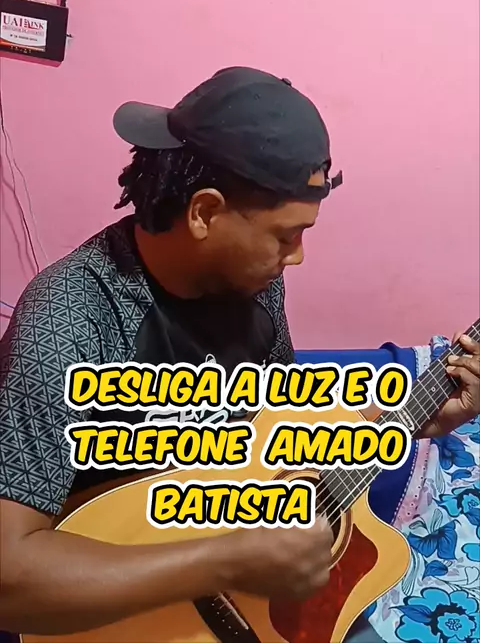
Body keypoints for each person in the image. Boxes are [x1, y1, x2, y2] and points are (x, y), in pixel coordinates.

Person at [0, 66, 478, 641]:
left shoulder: (254, 284)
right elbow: (9, 577)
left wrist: (412, 420)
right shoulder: (68, 318)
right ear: (205, 213)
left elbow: (280, 430)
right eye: (285, 235)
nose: (296, 256)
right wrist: (225, 562)